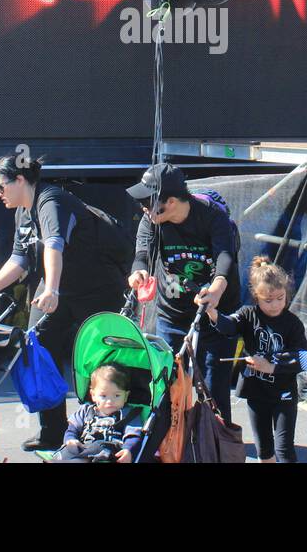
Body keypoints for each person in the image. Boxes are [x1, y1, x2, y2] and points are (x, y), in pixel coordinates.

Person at [0, 153, 127, 451]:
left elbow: (53, 244)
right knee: (38, 348)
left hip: (96, 289)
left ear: (21, 180)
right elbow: (19, 259)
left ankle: (114, 431)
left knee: (104, 357)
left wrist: (51, 288)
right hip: (57, 291)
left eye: (1, 187)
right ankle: (53, 432)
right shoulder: (21, 213)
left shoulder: (51, 201)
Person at [127, 162, 240, 421]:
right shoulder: (151, 219)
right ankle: (171, 443)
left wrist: (216, 289)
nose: (144, 208)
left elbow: (225, 256)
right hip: (172, 313)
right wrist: (138, 271)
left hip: (214, 312)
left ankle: (217, 445)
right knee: (170, 386)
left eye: (149, 201)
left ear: (173, 201)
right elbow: (142, 252)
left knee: (214, 388)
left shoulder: (212, 216)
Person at [200, 256, 307, 463]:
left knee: (284, 448)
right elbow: (229, 325)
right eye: (268, 300)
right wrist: (212, 312)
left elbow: (300, 358)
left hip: (284, 393)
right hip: (256, 392)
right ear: (256, 296)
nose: (275, 305)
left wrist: (272, 367)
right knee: (264, 449)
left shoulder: (293, 323)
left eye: (280, 298)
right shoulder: (248, 314)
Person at [55, 364, 144, 463]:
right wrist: (70, 439)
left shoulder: (128, 414)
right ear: (93, 395)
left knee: (100, 446)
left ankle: (76, 461)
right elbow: (72, 429)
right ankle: (64, 459)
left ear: (126, 396)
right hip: (83, 447)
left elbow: (133, 437)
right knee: (69, 448)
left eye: (117, 395)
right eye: (103, 396)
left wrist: (128, 450)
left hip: (108, 451)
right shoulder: (86, 410)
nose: (110, 401)